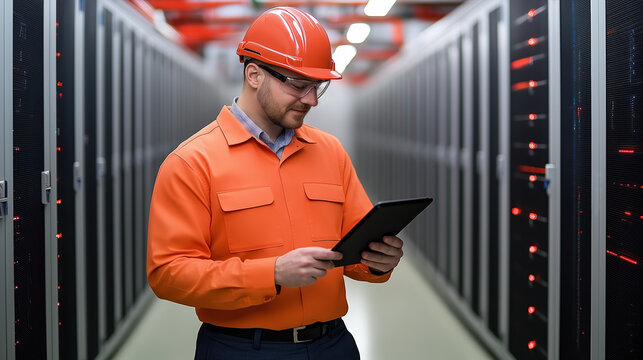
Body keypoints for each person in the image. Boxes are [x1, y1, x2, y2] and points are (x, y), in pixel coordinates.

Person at [147, 6, 404, 359]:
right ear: (254, 74)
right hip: (241, 348)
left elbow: (354, 248)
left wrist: (378, 261)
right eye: (299, 85)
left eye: (318, 87)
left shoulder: (329, 151)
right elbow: (168, 273)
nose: (311, 100)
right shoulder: (193, 162)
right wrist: (272, 273)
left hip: (334, 345)